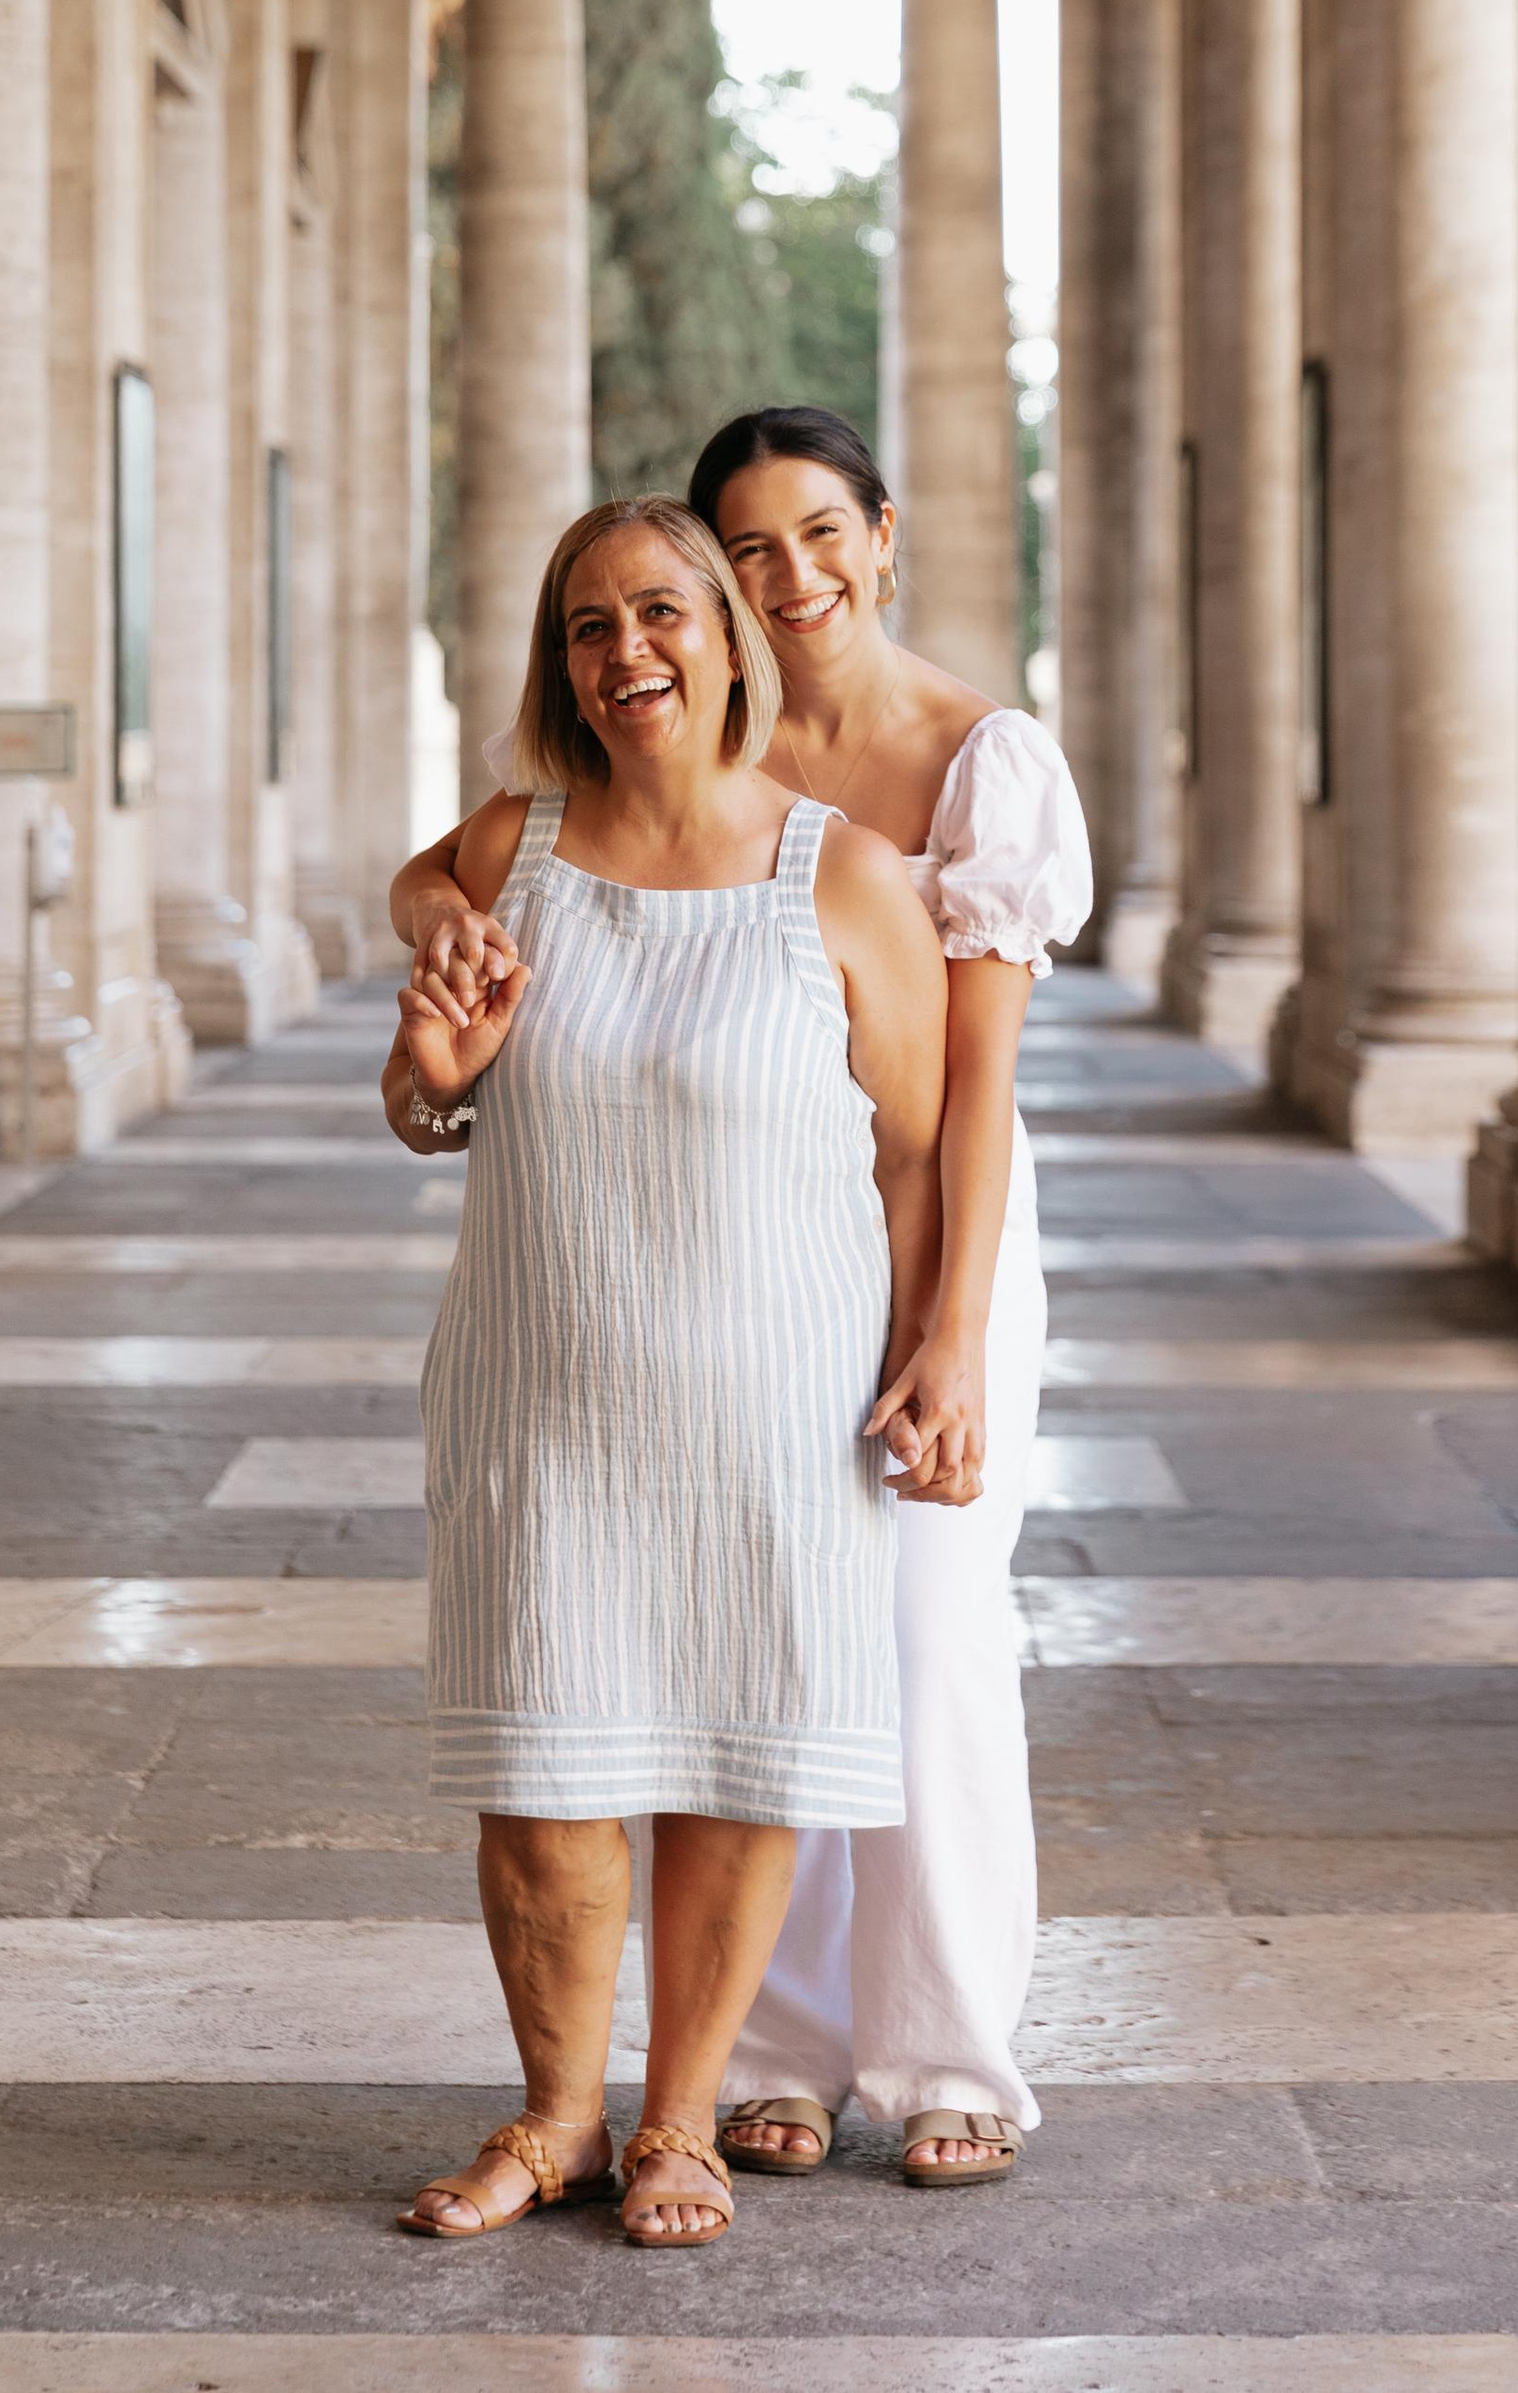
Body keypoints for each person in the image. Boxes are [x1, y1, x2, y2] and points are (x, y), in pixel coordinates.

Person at [403, 405, 1090, 2188]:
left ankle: (946, 2052)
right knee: (764, 1659)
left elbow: (965, 1112)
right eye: (750, 547)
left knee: (918, 1642)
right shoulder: (632, 758)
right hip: (688, 1244)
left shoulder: (968, 765)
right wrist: (438, 963)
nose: (790, 576)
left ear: (882, 534)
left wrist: (945, 1334)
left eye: (817, 536)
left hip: (931, 1226)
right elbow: (461, 865)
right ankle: (769, 2056)